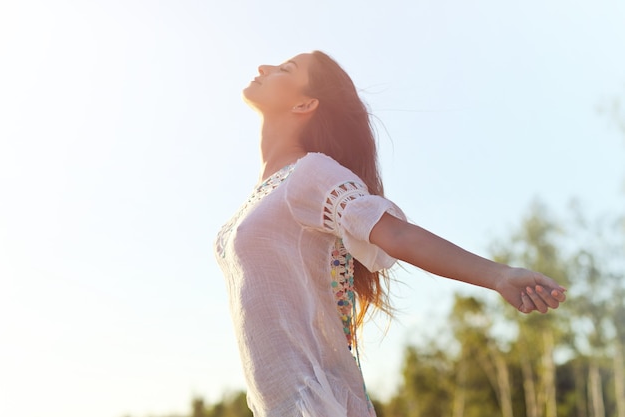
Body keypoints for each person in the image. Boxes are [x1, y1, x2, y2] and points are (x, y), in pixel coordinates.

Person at [214, 51, 567, 417]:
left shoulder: (310, 174)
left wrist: (500, 276)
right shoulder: (262, 196)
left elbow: (395, 234)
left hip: (318, 404)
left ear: (305, 103)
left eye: (285, 68)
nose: (263, 68)